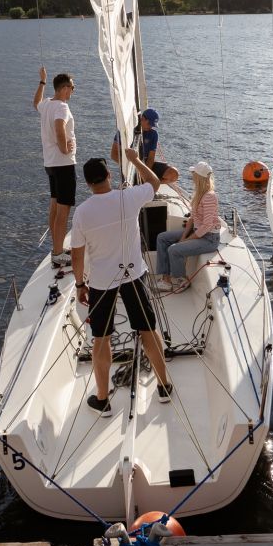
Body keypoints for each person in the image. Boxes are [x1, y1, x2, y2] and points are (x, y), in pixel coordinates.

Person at [70, 150, 173, 413]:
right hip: (133, 276)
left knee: (101, 339)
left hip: (101, 283)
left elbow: (77, 255)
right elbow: (154, 183)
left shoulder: (82, 213)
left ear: (88, 183)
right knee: (148, 330)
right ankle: (164, 386)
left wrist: (80, 285)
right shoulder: (129, 197)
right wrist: (136, 160)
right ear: (108, 176)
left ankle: (103, 399)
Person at [152, 161, 222, 290]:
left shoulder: (210, 197)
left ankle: (182, 279)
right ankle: (166, 279)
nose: (192, 177)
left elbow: (207, 225)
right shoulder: (199, 194)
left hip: (209, 239)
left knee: (174, 249)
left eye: (193, 174)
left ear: (199, 177)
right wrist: (184, 237)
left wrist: (186, 241)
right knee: (162, 237)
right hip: (198, 232)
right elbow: (193, 218)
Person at [34, 68, 77, 266]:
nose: (73, 91)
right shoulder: (61, 107)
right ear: (64, 88)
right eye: (72, 87)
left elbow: (36, 103)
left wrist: (42, 82)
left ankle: (56, 247)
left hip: (50, 164)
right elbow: (59, 127)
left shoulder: (47, 105)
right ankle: (59, 254)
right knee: (63, 210)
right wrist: (65, 149)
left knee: (54, 206)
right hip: (63, 165)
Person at [110, 109, 177, 186]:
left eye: (152, 125)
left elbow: (151, 158)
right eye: (149, 124)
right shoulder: (125, 131)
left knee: (173, 174)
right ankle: (144, 183)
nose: (151, 127)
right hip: (129, 166)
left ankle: (150, 184)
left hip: (146, 165)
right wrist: (131, 165)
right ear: (143, 119)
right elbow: (114, 154)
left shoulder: (153, 134)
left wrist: (145, 173)